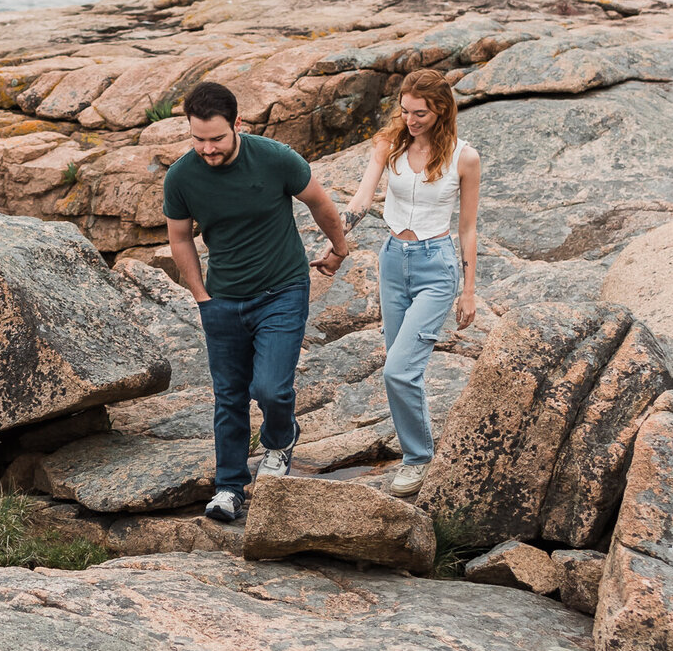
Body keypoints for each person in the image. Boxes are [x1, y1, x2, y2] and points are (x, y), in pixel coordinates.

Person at [163, 80, 351, 522]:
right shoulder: (181, 177)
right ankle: (229, 487)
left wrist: (339, 248)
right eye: (198, 139)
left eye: (216, 139)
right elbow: (179, 237)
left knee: (270, 388)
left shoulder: (274, 158)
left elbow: (320, 203)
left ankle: (280, 441)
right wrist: (201, 296)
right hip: (223, 299)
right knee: (228, 397)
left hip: (281, 290)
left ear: (237, 125)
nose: (207, 149)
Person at [342, 67, 479, 496]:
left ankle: (418, 459)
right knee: (402, 369)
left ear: (440, 110)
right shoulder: (389, 144)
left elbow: (468, 227)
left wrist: (469, 290)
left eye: (419, 113)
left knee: (398, 371)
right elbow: (364, 196)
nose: (410, 120)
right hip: (392, 261)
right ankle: (416, 453)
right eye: (404, 111)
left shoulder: (464, 157)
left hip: (435, 268)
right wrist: (336, 236)